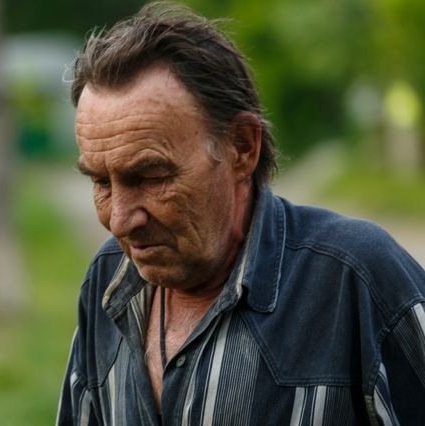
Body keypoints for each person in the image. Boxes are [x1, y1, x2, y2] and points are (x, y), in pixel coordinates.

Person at [56, 2, 425, 425]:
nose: (121, 220)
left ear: (242, 148)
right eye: (101, 182)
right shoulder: (107, 282)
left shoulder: (356, 280)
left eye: (152, 177)